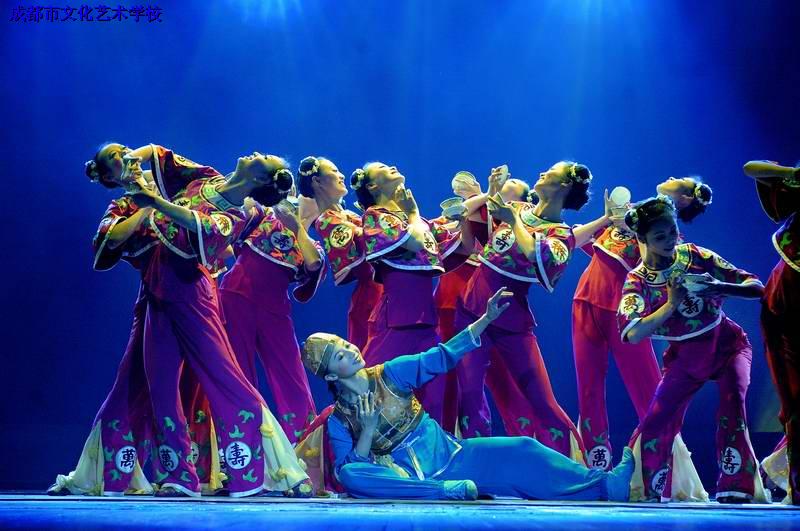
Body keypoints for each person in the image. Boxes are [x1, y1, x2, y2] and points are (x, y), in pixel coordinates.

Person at [301, 288, 635, 501]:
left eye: (345, 343)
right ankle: (439, 492)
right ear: (330, 375)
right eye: (340, 354)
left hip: (452, 457)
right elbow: (349, 471)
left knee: (524, 449)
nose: (350, 349)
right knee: (353, 476)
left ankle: (605, 486)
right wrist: (369, 428)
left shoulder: (391, 373)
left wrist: (485, 319)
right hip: (405, 477)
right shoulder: (339, 420)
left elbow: (443, 355)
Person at [618, 195, 769, 503]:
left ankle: (737, 488)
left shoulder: (696, 255)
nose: (669, 241)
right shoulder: (638, 281)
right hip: (685, 359)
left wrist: (719, 287)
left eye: (672, 232)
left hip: (728, 346)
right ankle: (648, 490)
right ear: (643, 239)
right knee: (658, 421)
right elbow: (632, 333)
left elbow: (756, 287)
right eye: (660, 236)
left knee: (733, 409)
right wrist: (671, 303)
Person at [743, 159, 800, 505]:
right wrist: (793, 175)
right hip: (785, 304)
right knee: (794, 398)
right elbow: (752, 167)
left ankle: (777, 469)